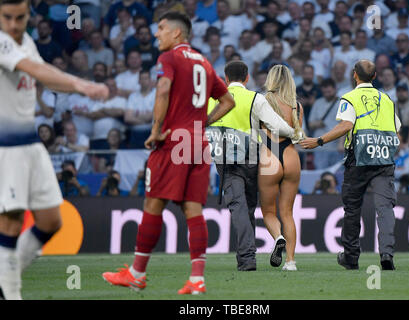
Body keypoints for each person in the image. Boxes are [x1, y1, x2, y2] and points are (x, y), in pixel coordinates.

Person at [102, 12, 235, 295]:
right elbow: (228, 101)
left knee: (153, 203)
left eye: (161, 28)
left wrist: (155, 129)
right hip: (197, 142)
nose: (156, 33)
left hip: (173, 141)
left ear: (177, 33)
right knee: (193, 209)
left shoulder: (169, 59)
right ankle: (197, 279)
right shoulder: (204, 62)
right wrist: (204, 123)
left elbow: (162, 90)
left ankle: (137, 274)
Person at [0, 0, 108, 300]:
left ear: (28, 15)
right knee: (11, 220)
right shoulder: (1, 42)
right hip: (5, 147)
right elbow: (34, 69)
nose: (13, 24)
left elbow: (42, 70)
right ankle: (11, 293)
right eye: (6, 17)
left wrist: (72, 84)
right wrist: (81, 85)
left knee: (51, 221)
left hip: (31, 144)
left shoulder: (27, 41)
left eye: (20, 17)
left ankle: (4, 277)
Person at [300, 60, 402, 271]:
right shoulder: (387, 99)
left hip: (359, 159)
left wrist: (319, 141)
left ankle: (351, 257)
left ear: (355, 75)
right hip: (384, 158)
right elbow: (396, 130)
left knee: (353, 208)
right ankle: (386, 254)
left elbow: (346, 125)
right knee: (385, 208)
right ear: (374, 77)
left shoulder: (349, 97)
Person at [206, 60, 299, 271]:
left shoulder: (213, 100)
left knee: (238, 207)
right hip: (251, 160)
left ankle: (247, 258)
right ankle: (248, 258)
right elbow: (276, 125)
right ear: (247, 78)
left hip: (225, 160)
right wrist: (297, 135)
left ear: (226, 78)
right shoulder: (254, 98)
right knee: (247, 206)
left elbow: (199, 126)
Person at [258, 64, 304, 271]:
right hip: (291, 156)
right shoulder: (297, 105)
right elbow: (296, 133)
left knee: (268, 211)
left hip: (269, 156)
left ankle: (278, 237)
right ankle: (291, 261)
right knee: (288, 213)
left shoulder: (262, 101)